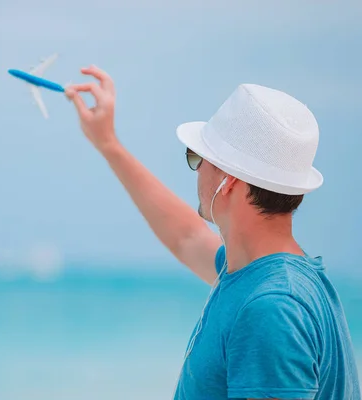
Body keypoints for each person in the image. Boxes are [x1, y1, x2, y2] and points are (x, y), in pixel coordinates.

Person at [65, 65, 361, 399]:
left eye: (198, 156)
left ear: (230, 178)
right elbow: (186, 237)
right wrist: (108, 144)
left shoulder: (272, 308)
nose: (197, 168)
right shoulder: (261, 275)